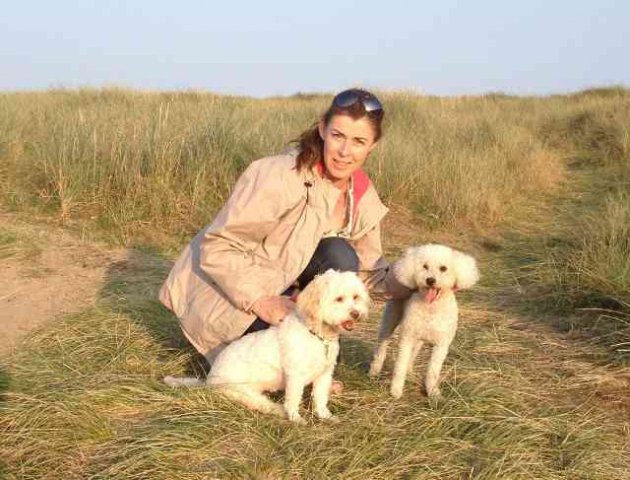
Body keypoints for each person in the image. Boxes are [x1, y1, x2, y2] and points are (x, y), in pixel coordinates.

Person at [159, 88, 410, 364]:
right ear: (323, 129)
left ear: (372, 145)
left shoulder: (361, 194)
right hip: (233, 294)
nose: (345, 151)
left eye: (359, 141)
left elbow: (368, 273)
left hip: (287, 294)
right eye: (338, 135)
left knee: (339, 255)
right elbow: (218, 246)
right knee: (259, 368)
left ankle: (310, 360)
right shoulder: (278, 175)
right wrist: (261, 301)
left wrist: (419, 278)